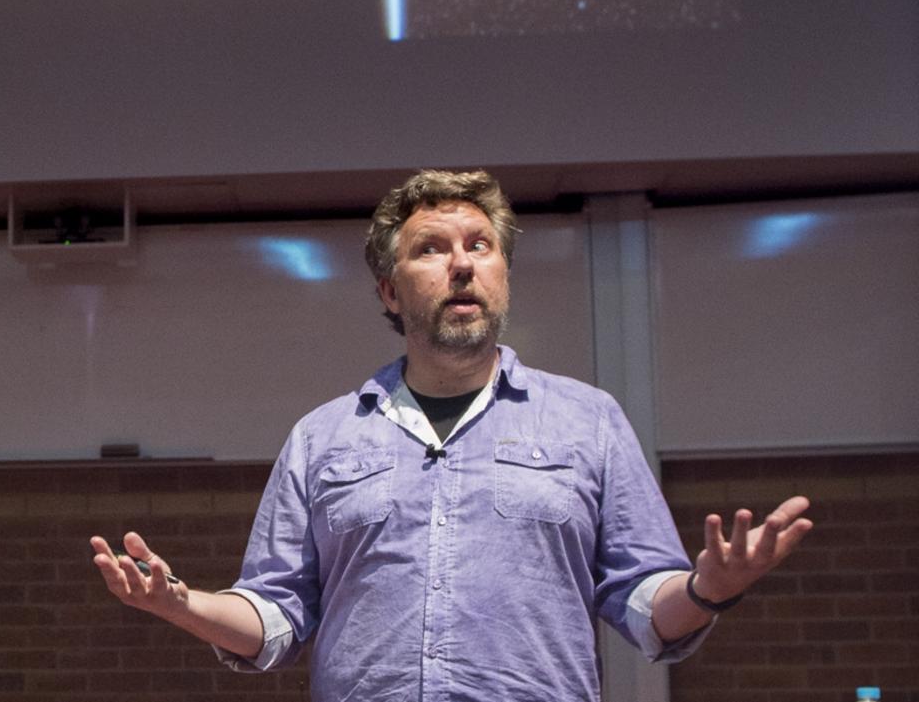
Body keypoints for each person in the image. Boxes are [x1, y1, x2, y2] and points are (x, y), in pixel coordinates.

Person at [90, 169, 812, 701]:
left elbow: (646, 603)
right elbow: (275, 613)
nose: (462, 262)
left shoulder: (588, 421)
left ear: (503, 275)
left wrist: (707, 587)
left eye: (481, 245)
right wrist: (183, 606)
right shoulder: (323, 437)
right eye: (432, 248)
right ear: (389, 290)